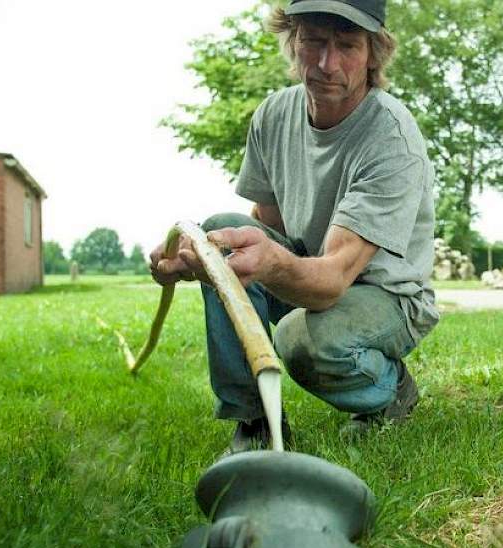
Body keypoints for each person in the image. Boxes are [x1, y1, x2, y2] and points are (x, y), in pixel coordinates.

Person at [150, 0, 438, 453]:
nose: (326, 64)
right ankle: (256, 423)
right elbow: (267, 225)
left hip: (387, 297)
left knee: (300, 339)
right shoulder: (273, 115)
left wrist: (267, 266)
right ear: (292, 40)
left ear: (373, 53)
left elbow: (331, 282)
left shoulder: (391, 137)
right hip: (313, 271)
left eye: (346, 45)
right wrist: (202, 258)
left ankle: (391, 389)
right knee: (219, 229)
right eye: (313, 42)